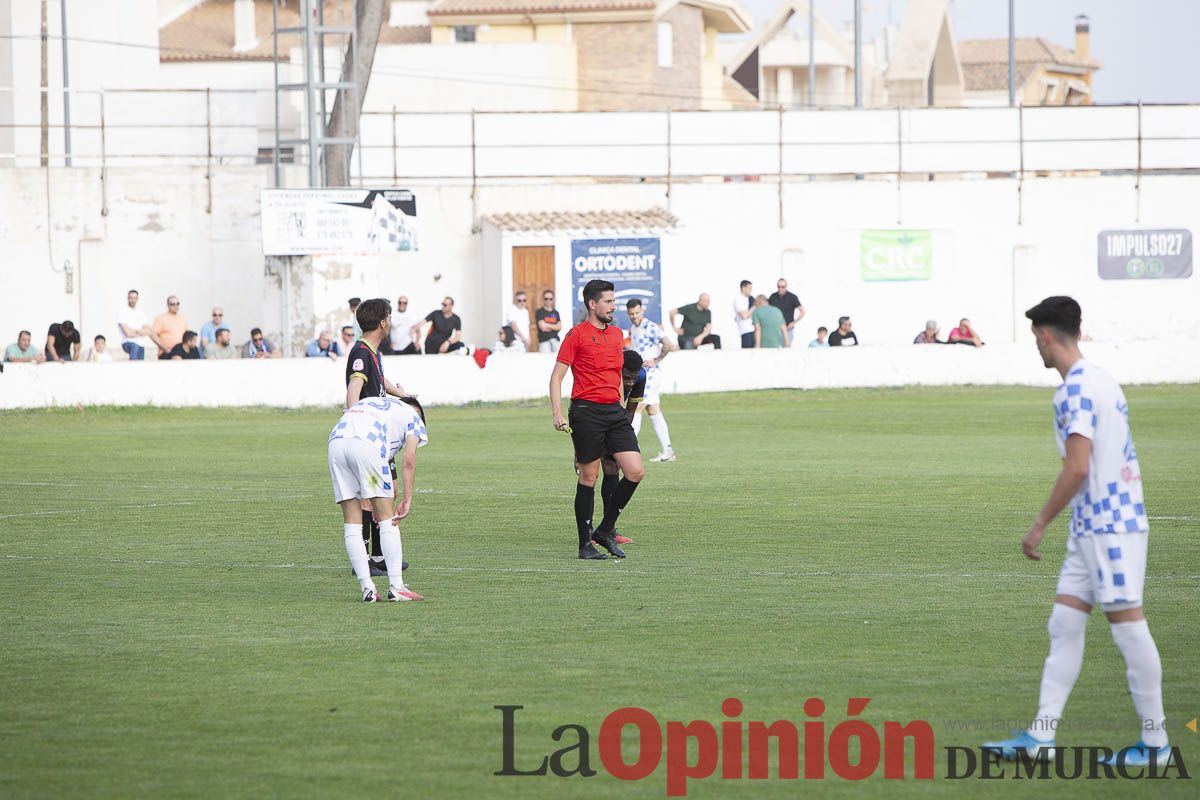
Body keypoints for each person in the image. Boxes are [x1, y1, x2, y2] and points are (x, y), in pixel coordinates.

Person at [983, 296, 1170, 769]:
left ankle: (1156, 744)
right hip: (1093, 526)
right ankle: (1041, 737)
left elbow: (1077, 466)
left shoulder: (1075, 391)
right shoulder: (1103, 379)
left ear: (1045, 336)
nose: (1038, 349)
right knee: (1064, 623)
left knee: (1128, 626)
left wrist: (1039, 524)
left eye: (1036, 340)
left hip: (1109, 525)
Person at [550, 279, 646, 560]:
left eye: (614, 301)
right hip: (586, 411)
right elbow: (557, 377)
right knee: (589, 477)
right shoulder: (576, 335)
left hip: (613, 412)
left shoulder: (617, 335)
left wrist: (619, 405)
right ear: (592, 304)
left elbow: (617, 375)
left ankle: (604, 530)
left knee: (635, 470)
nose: (613, 306)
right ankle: (585, 545)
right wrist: (557, 413)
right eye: (608, 301)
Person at [327, 394, 428, 603]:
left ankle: (367, 589)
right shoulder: (414, 418)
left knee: (352, 523)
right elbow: (409, 459)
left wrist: (372, 499)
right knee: (388, 520)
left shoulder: (383, 406)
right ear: (419, 413)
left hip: (336, 441)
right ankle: (397, 587)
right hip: (367, 444)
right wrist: (407, 499)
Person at [346, 298, 412, 576]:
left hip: (381, 435)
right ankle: (363, 558)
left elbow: (377, 380)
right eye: (389, 316)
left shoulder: (373, 351)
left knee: (389, 490)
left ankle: (378, 555)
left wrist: (399, 392)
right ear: (382, 322)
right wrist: (355, 419)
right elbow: (354, 388)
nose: (391, 321)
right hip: (368, 435)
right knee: (367, 497)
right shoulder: (361, 352)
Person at [586, 350, 647, 547]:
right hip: (596, 421)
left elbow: (630, 409)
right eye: (627, 378)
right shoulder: (605, 374)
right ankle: (593, 532)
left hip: (617, 423)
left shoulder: (641, 376)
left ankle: (607, 529)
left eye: (633, 378)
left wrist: (621, 438)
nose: (630, 382)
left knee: (614, 470)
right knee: (593, 475)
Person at [626, 298, 676, 462]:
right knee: (653, 410)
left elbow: (668, 344)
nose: (634, 316)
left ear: (642, 310)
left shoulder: (650, 327)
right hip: (642, 374)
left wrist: (656, 360)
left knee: (638, 405)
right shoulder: (633, 328)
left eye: (637, 313)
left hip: (651, 374)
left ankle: (629, 447)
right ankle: (668, 450)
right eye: (631, 314)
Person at [116, 289, 155, 360]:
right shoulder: (122, 312)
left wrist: (135, 330)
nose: (133, 300)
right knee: (133, 364)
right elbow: (128, 334)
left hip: (141, 344)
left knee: (141, 367)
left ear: (137, 299)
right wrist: (142, 332)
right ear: (127, 298)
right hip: (128, 343)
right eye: (131, 298)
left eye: (135, 298)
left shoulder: (140, 312)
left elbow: (150, 331)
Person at [768, 279, 805, 346]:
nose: (780, 289)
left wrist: (794, 322)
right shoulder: (773, 297)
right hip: (775, 329)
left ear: (786, 286)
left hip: (788, 329)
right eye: (778, 287)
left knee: (786, 350)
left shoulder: (792, 297)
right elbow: (768, 311)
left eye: (782, 287)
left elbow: (802, 312)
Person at [732, 280, 755, 348]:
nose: (751, 290)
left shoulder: (750, 299)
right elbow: (744, 315)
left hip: (754, 329)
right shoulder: (738, 299)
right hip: (745, 330)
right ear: (743, 288)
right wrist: (755, 306)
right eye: (749, 288)